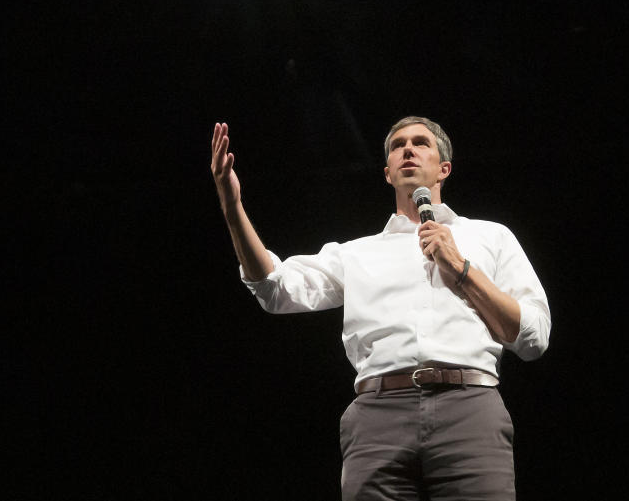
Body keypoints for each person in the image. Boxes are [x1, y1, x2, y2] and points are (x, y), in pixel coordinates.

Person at [210, 117, 550, 500]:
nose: (407, 149)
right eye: (397, 145)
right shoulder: (357, 252)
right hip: (378, 415)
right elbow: (274, 288)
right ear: (387, 173)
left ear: (444, 169)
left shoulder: (491, 236)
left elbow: (534, 336)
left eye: (421, 142)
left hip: (469, 409)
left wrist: (461, 268)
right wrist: (231, 205)